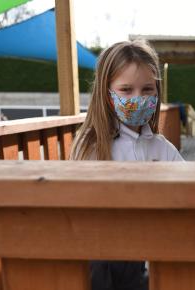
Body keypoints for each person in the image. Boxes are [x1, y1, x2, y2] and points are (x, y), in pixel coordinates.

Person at [70, 40, 183, 290]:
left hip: (151, 256)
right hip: (102, 258)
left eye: (147, 90)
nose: (138, 98)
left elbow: (190, 191)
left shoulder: (163, 148)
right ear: (107, 93)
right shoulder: (90, 147)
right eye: (126, 89)